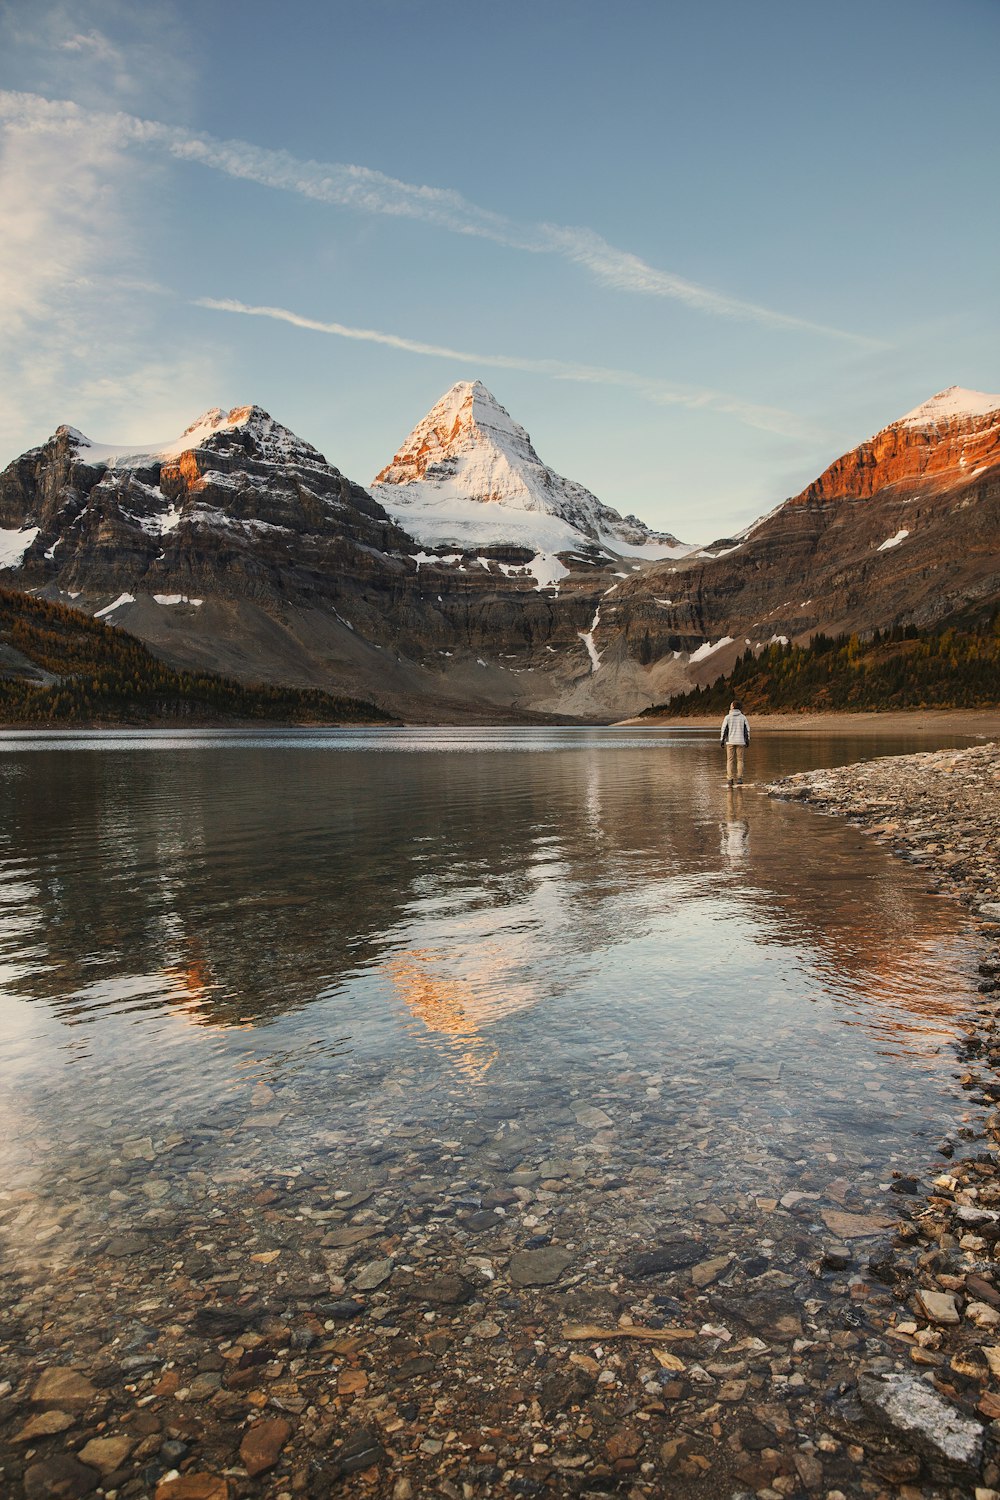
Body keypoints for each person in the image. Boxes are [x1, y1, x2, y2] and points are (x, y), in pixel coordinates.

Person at [720, 699, 750, 786]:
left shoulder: (727, 717)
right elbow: (747, 729)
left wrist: (722, 740)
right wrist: (747, 740)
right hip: (741, 741)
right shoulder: (743, 717)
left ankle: (730, 779)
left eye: (731, 704)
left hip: (730, 741)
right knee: (740, 760)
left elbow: (723, 729)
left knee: (730, 760)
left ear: (733, 706)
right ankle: (739, 778)